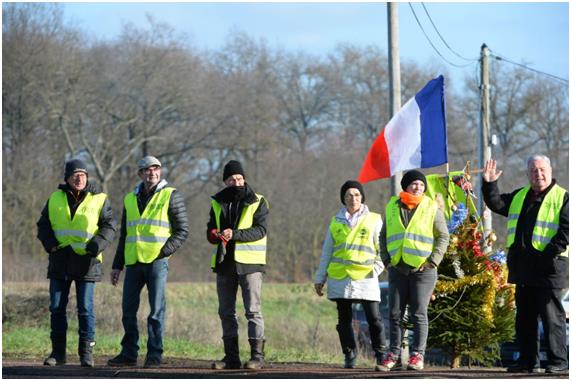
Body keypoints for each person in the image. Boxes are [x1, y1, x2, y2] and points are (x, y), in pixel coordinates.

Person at [482, 156, 568, 374]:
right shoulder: (520, 196)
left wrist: (546, 255)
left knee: (552, 318)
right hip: (523, 267)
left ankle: (558, 361)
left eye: (541, 170)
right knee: (525, 318)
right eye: (533, 171)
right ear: (528, 174)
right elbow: (497, 204)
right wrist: (490, 184)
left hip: (550, 267)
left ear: (550, 170)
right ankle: (529, 362)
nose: (538, 174)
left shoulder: (564, 197)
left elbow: (565, 233)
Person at [107, 156, 189, 368]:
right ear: (140, 173)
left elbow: (182, 231)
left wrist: (164, 252)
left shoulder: (171, 195)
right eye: (147, 170)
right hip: (133, 262)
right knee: (127, 310)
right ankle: (128, 353)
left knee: (156, 311)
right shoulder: (129, 199)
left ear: (160, 172)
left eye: (155, 169)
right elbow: (124, 235)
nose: (151, 173)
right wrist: (117, 265)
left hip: (157, 262)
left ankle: (154, 354)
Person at [37, 159, 117, 367]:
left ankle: (86, 354)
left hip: (87, 261)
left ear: (87, 177)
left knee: (85, 309)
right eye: (75, 174)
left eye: (83, 174)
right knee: (56, 308)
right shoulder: (54, 198)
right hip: (60, 260)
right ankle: (58, 354)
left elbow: (109, 226)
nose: (79, 177)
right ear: (67, 178)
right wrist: (51, 244)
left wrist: (96, 245)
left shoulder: (100, 198)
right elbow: (43, 225)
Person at [378, 170, 449, 371]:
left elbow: (443, 236)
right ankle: (393, 355)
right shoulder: (392, 207)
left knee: (419, 313)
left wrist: (432, 261)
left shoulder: (431, 208)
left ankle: (417, 355)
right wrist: (386, 259)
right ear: (405, 186)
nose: (418, 187)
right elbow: (383, 235)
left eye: (421, 184)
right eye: (413, 184)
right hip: (397, 268)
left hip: (423, 270)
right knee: (395, 314)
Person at [314, 180, 387, 370]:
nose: (353, 198)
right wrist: (320, 278)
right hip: (340, 277)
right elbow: (327, 252)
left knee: (374, 319)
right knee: (344, 321)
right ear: (343, 199)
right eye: (348, 195)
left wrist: (376, 269)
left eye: (356, 194)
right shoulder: (335, 221)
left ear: (362, 197)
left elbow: (382, 249)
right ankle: (349, 354)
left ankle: (380, 355)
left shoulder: (374, 219)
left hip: (366, 278)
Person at [206, 160, 269, 370]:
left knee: (253, 311)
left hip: (250, 264)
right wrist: (215, 235)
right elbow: (210, 229)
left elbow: (260, 230)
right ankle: (231, 357)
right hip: (225, 263)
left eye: (239, 178)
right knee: (226, 312)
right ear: (226, 181)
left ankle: (257, 358)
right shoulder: (217, 202)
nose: (236, 182)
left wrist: (235, 235)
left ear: (244, 178)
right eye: (232, 179)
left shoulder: (258, 201)